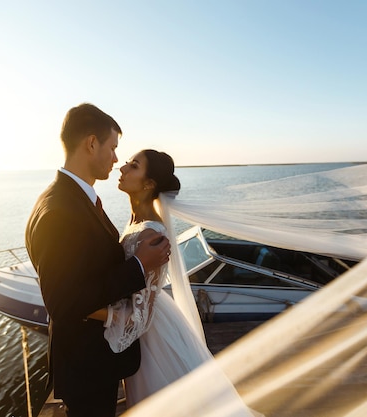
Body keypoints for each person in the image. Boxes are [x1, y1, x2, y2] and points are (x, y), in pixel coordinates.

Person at [24, 104, 171, 417]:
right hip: (86, 369)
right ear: (91, 144)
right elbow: (63, 303)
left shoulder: (70, 199)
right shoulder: (60, 212)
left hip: (93, 363)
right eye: (113, 148)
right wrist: (139, 266)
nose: (117, 159)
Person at [101, 150, 256, 416]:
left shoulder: (151, 234)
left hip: (152, 336)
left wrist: (90, 313)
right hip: (153, 321)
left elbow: (141, 316)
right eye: (127, 162)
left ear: (149, 184)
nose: (122, 168)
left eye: (133, 166)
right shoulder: (137, 222)